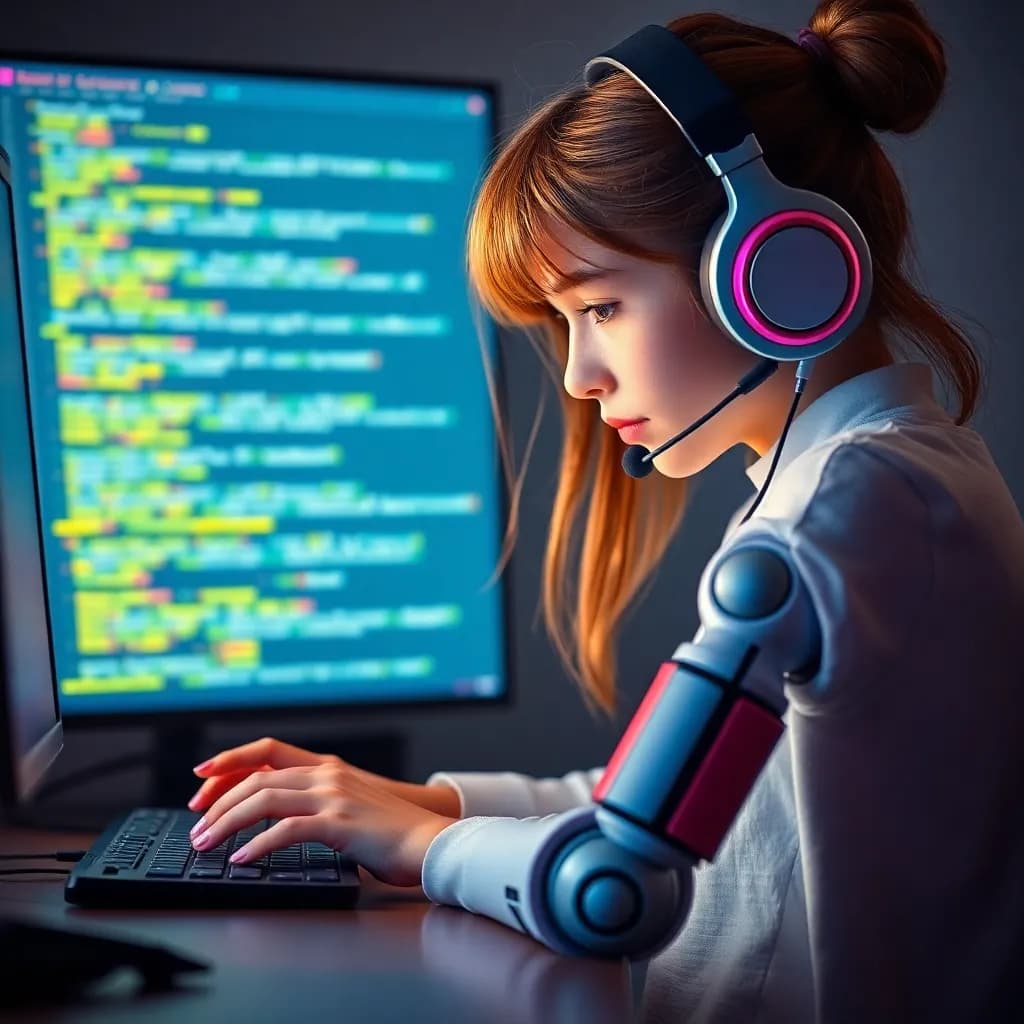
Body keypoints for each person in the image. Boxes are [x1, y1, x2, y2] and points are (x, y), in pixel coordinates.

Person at [184, 1, 1024, 1019]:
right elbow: (674, 809)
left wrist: (417, 846)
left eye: (599, 306)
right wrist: (421, 803)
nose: (578, 375)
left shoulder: (847, 510)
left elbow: (614, 883)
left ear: (774, 269)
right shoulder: (872, 481)